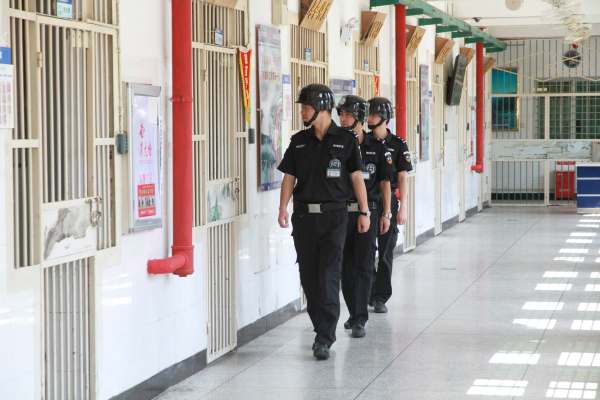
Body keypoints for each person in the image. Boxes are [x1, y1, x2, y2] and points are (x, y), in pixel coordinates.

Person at [277, 84, 370, 360]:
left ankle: (325, 337)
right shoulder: (299, 141)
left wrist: (364, 211)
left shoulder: (346, 140)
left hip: (334, 217)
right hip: (304, 218)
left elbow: (356, 177)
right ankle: (321, 327)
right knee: (309, 277)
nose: (302, 112)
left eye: (306, 107)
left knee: (328, 273)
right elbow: (289, 177)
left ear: (321, 108)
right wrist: (282, 207)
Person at [337, 95, 392, 338]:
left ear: (359, 117)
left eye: (348, 114)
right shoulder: (337, 145)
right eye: (341, 114)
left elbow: (385, 183)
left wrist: (387, 214)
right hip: (341, 213)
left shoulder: (377, 146)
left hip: (368, 212)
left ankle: (360, 317)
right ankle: (353, 312)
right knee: (345, 268)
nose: (342, 119)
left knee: (364, 265)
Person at [367, 97, 413, 314]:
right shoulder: (363, 141)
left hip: (389, 202)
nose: (369, 118)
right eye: (368, 114)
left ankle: (380, 297)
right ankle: (369, 291)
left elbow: (402, 177)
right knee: (366, 251)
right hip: (368, 201)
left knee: (385, 251)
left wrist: (403, 207)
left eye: (374, 114)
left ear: (384, 118)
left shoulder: (398, 144)